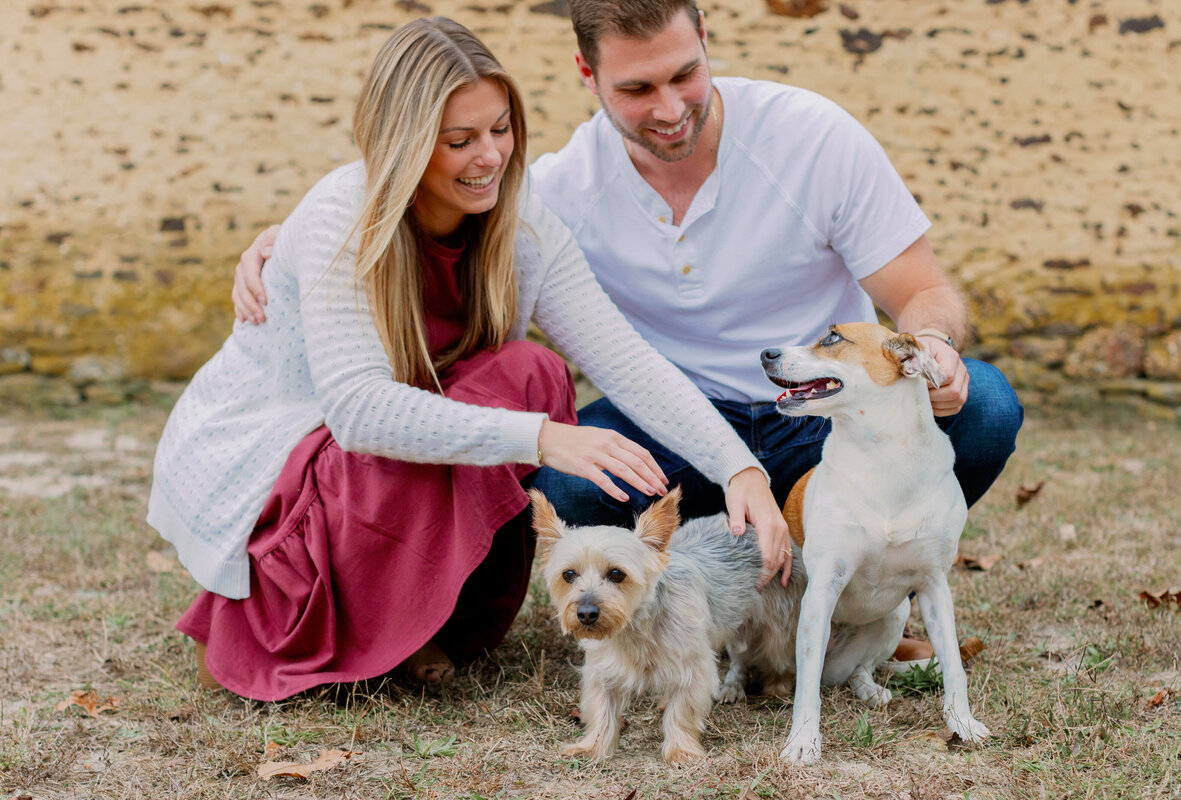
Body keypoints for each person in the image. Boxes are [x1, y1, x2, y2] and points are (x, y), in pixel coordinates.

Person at [233, 1, 1023, 668]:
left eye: (685, 75)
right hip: (676, 431)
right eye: (638, 88)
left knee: (981, 407)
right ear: (589, 79)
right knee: (565, 492)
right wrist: (297, 234)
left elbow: (922, 291)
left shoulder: (811, 136)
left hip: (819, 424)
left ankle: (863, 606)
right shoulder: (558, 188)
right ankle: (683, 604)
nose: (671, 107)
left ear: (706, 39)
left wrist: (934, 352)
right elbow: (617, 355)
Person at [149, 16, 789, 702]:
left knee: (530, 370)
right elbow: (361, 411)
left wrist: (738, 468)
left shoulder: (518, 218)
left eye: (500, 130)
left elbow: (624, 358)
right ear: (406, 145)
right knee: (518, 389)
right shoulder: (342, 215)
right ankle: (344, 619)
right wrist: (543, 437)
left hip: (373, 468)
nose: (489, 156)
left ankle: (419, 613)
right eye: (459, 141)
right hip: (292, 472)